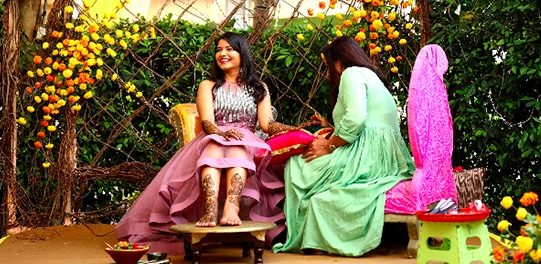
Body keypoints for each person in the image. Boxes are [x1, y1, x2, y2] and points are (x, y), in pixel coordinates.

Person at [116, 32, 294, 255]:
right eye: (218, 50)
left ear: (242, 53)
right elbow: (207, 121)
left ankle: (231, 207)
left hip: (245, 139)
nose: (223, 54)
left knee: (237, 149)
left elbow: (267, 124)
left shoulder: (259, 87)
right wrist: (221, 133)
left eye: (229, 49)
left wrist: (294, 129)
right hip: (214, 136)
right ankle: (210, 209)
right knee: (214, 149)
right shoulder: (208, 85)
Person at [273, 36, 414, 257]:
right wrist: (328, 126)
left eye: (328, 65)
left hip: (366, 156)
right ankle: (312, 234)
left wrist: (329, 146)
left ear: (339, 61)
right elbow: (367, 121)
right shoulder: (370, 75)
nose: (328, 72)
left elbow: (356, 119)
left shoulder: (351, 73)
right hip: (385, 155)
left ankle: (300, 234)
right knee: (307, 165)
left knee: (298, 163)